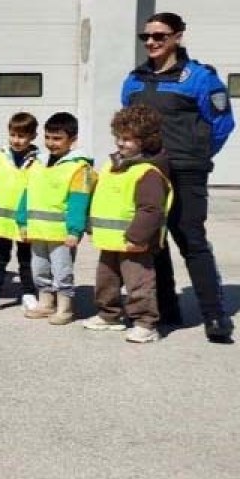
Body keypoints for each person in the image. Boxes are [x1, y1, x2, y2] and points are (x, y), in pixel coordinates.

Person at [122, 11, 236, 343]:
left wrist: (197, 156)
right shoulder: (134, 79)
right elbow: (129, 125)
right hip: (149, 172)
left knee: (191, 240)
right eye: (146, 37)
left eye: (159, 36)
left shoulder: (200, 78)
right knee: (153, 241)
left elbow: (222, 124)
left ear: (178, 36)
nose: (151, 42)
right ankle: (166, 307)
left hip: (186, 171)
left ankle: (214, 314)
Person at [84, 105, 172, 343]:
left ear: (145, 141)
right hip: (110, 240)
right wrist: (91, 226)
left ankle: (145, 323)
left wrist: (137, 237)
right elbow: (99, 198)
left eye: (128, 139)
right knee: (106, 280)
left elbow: (151, 209)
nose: (121, 143)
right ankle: (109, 315)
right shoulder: (111, 166)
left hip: (135, 243)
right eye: (118, 137)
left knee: (139, 283)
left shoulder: (148, 172)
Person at [17, 112, 95, 326]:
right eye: (48, 137)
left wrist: (75, 230)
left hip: (62, 234)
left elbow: (79, 202)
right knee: (39, 269)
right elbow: (27, 193)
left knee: (62, 271)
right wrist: (22, 221)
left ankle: (65, 307)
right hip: (37, 230)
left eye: (58, 138)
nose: (51, 143)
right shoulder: (37, 163)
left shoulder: (79, 167)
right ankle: (46, 303)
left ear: (73, 139)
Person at [0, 112, 40, 313]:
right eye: (13, 135)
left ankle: (29, 293)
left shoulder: (39, 162)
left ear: (33, 136)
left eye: (22, 136)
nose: (16, 140)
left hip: (26, 223)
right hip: (1, 222)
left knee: (26, 259)